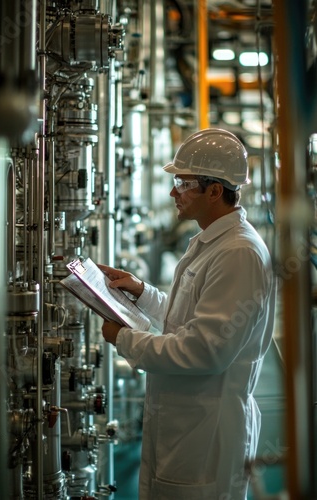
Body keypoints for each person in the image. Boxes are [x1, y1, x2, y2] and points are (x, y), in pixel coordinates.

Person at [100, 128, 276, 500]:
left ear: (215, 191)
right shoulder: (212, 241)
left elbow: (204, 349)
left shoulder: (238, 253)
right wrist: (142, 293)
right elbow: (189, 320)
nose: (172, 192)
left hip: (207, 432)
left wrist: (125, 338)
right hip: (187, 422)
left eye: (183, 183)